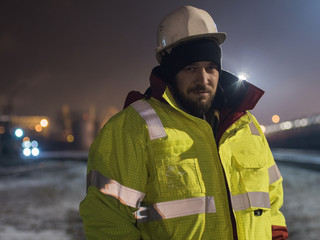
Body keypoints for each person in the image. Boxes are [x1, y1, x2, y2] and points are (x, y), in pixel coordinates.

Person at [80, 5, 288, 239]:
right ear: (170, 73)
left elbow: (272, 200)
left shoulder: (245, 125)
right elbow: (107, 217)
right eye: (190, 68)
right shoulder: (133, 128)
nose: (203, 79)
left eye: (211, 68)